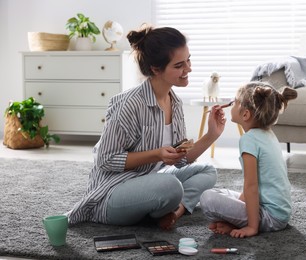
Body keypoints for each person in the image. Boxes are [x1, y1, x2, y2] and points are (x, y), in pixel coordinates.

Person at [66, 25, 226, 230]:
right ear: (155, 69)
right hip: (113, 191)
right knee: (171, 187)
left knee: (208, 171)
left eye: (188, 60)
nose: (188, 69)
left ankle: (174, 212)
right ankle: (160, 206)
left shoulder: (174, 103)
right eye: (179, 65)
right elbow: (104, 159)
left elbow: (181, 159)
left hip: (149, 180)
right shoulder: (131, 104)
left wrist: (212, 134)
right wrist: (157, 155)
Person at [200, 81, 297, 238]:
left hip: (269, 217)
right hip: (280, 214)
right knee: (220, 192)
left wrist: (252, 227)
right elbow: (254, 186)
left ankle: (249, 223)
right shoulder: (268, 134)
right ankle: (236, 221)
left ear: (245, 114)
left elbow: (251, 186)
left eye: (235, 102)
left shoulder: (248, 140)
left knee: (208, 198)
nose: (231, 104)